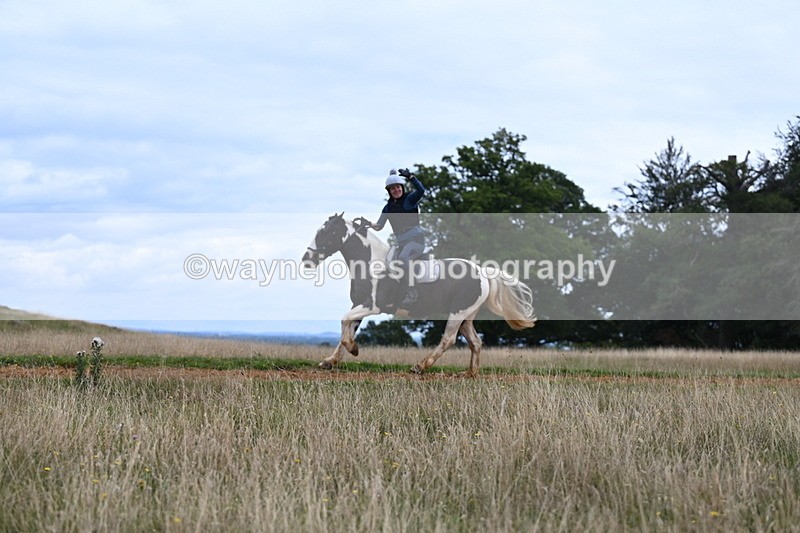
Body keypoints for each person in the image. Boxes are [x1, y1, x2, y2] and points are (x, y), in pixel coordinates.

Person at [366, 168, 426, 308]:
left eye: (398, 187)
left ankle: (412, 292)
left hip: (415, 241)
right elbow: (379, 226)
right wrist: (368, 224)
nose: (396, 190)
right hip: (402, 244)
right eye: (392, 188)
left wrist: (411, 177)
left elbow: (421, 190)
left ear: (402, 187)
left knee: (403, 259)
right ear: (389, 191)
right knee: (388, 263)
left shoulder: (409, 199)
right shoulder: (387, 208)